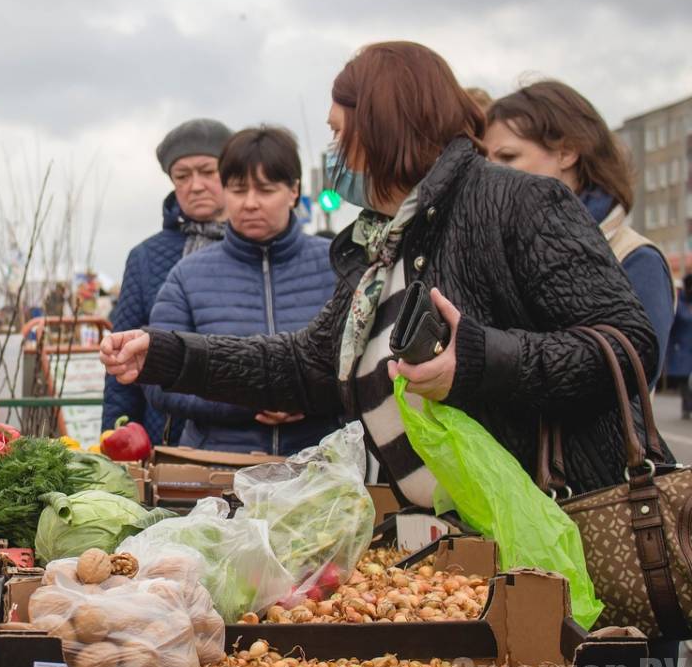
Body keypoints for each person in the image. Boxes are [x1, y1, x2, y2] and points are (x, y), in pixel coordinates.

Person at [102, 41, 669, 511]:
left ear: (382, 127)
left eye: (338, 133)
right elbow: (307, 364)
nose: (335, 153)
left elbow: (627, 343)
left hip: (551, 522)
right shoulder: (383, 242)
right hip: (449, 537)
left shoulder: (519, 203)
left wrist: (478, 361)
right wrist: (167, 354)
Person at [144, 125, 338, 455]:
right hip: (217, 473)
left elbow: (367, 369)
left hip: (323, 469)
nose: (250, 203)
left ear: (293, 191)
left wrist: (308, 397)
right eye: (237, 190)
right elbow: (158, 380)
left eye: (265, 190)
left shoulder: (336, 266)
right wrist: (247, 401)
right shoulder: (187, 275)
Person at [485, 80, 675, 387]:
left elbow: (630, 385)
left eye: (507, 157)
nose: (491, 173)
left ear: (567, 153)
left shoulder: (637, 258)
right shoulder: (495, 246)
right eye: (486, 159)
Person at [101, 118, 232, 444]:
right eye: (182, 176)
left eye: (207, 171)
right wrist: (116, 436)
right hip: (164, 433)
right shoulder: (146, 257)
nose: (196, 185)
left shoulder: (256, 246)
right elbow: (122, 360)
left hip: (242, 433)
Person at [667, 275, 692, 418]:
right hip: (681, 349)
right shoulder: (678, 304)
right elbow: (672, 327)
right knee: (684, 380)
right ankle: (687, 407)